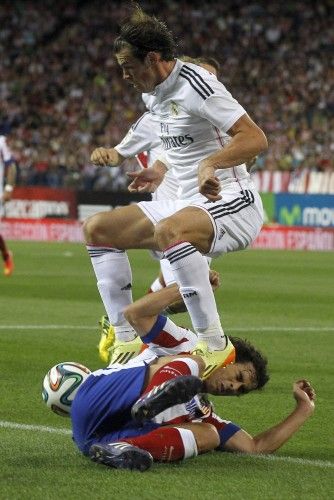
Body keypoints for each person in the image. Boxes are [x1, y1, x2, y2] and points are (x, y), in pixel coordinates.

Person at [83, 6, 268, 377]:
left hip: (232, 200)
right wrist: (155, 168)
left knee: (171, 232)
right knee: (98, 229)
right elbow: (176, 143)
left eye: (128, 66)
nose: (124, 75)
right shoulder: (154, 94)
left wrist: (209, 165)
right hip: (182, 202)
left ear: (152, 59)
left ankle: (214, 345)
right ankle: (125, 337)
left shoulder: (197, 84)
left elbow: (255, 137)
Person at [66, 353, 314, 471]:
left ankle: (122, 448)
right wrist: (181, 285)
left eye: (241, 390)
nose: (233, 387)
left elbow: (254, 447)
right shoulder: (186, 343)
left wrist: (303, 409)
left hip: (97, 441)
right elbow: (138, 314)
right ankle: (152, 395)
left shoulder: (203, 412)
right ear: (228, 359)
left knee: (210, 434)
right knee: (196, 360)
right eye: (238, 377)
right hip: (96, 398)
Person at [0, 134, 16, 276]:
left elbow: (11, 165)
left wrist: (8, 188)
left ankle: (6, 256)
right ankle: (6, 256)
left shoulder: (1, 141)